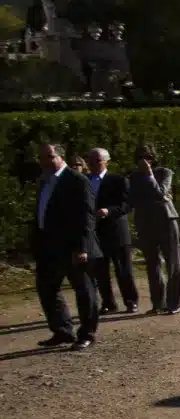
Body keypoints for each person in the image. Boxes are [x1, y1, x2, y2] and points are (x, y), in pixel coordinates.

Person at [31, 141, 102, 350]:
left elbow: (86, 216)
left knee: (84, 290)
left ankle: (87, 333)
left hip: (73, 247)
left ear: (60, 157)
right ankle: (62, 331)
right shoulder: (45, 181)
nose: (44, 161)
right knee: (47, 288)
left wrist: (82, 248)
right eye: (42, 157)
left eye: (49, 157)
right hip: (49, 247)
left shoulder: (76, 181)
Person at [128, 143, 180, 315]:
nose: (144, 162)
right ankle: (158, 303)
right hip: (146, 223)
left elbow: (160, 192)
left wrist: (150, 176)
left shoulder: (164, 173)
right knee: (152, 264)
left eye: (148, 158)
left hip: (166, 220)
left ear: (153, 158)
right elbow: (134, 200)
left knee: (172, 262)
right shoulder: (133, 178)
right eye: (140, 158)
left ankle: (174, 302)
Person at [84, 148, 139, 314]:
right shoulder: (84, 181)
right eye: (91, 161)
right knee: (100, 271)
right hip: (96, 232)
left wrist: (109, 211)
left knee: (123, 269)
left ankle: (131, 301)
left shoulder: (118, 180)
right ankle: (108, 303)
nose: (94, 164)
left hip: (116, 231)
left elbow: (126, 205)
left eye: (98, 161)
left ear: (106, 161)